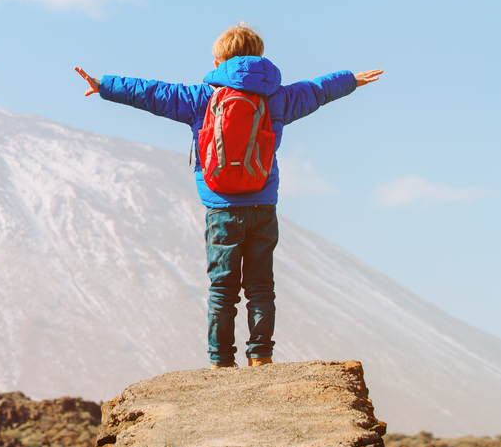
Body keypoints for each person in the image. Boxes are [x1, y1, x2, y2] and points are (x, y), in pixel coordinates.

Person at [74, 23, 382, 368]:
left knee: (223, 289)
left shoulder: (201, 97)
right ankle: (261, 357)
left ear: (219, 58)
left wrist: (105, 87)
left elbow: (153, 94)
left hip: (221, 208)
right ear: (259, 55)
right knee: (261, 286)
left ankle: (221, 361)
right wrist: (351, 80)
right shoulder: (276, 97)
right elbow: (318, 90)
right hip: (263, 204)